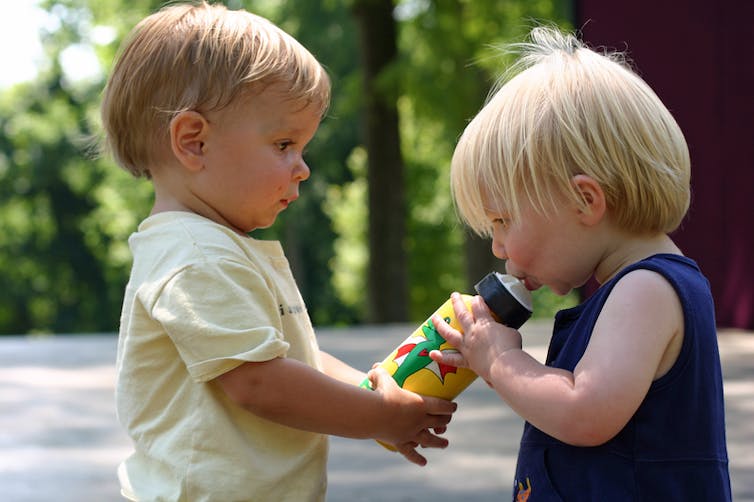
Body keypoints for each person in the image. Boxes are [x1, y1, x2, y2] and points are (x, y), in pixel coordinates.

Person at [100, 2, 455, 501]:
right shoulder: (196, 256)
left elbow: (290, 358)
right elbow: (261, 384)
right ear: (193, 142)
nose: (302, 168)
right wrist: (382, 417)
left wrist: (373, 391)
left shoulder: (215, 246)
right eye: (284, 144)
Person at [430, 26, 731, 501]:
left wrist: (503, 360)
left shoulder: (647, 289)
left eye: (504, 220)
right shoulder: (633, 289)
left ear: (584, 199)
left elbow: (583, 411)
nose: (499, 247)